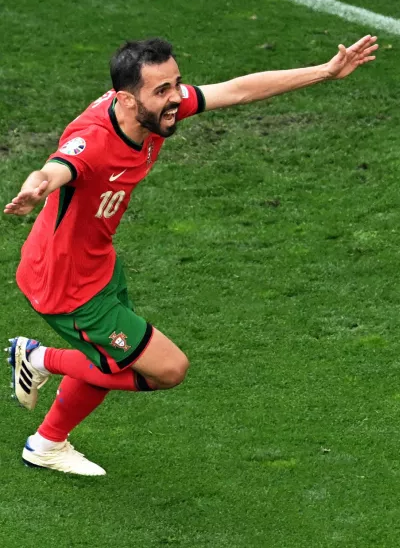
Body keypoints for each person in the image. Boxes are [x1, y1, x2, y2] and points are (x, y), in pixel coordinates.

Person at [4, 35, 378, 476]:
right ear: (126, 99)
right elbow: (59, 166)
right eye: (162, 91)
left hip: (97, 262)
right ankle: (37, 358)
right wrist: (38, 185)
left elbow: (237, 89)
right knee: (166, 369)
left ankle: (46, 444)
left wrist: (326, 71)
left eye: (176, 84)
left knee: (118, 357)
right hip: (65, 284)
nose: (176, 99)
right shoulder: (94, 141)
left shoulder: (151, 110)